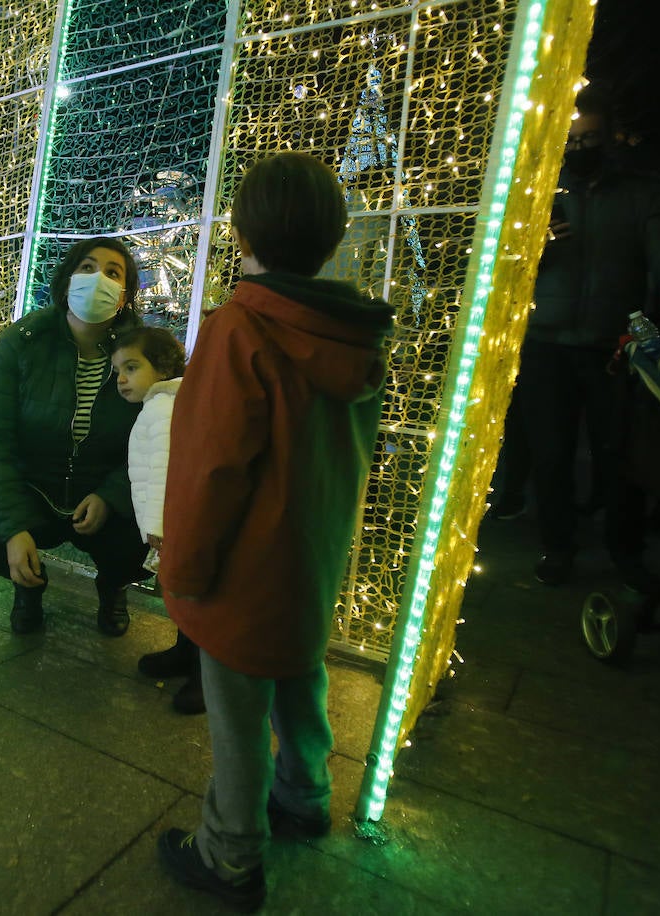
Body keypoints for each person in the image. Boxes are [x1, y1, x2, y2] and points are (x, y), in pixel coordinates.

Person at [153, 152, 394, 912]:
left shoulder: (242, 328)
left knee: (236, 716)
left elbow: (210, 465)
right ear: (332, 237)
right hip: (310, 558)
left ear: (241, 229)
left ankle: (229, 855)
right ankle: (307, 795)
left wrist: (183, 567)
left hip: (244, 569)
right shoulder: (352, 333)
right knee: (300, 677)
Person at [520, 86, 660, 587]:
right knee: (550, 450)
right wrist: (533, 244)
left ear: (609, 138)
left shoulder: (639, 192)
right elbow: (505, 261)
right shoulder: (536, 188)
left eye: (590, 138)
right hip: (547, 342)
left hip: (614, 344)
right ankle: (557, 546)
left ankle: (626, 550)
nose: (581, 148)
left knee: (620, 452)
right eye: (573, 139)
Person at [0, 237, 149, 636]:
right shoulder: (22, 342)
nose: (98, 278)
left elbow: (152, 439)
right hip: (36, 490)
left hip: (100, 494)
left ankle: (112, 586)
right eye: (87, 267)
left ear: (124, 296)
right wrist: (14, 529)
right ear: (66, 281)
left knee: (137, 537)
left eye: (112, 273)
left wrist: (111, 494)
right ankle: (28, 582)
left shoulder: (144, 354)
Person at [109, 327, 202, 714]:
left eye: (132, 367)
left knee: (192, 600)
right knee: (182, 597)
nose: (122, 379)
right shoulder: (160, 405)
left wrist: (158, 528)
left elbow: (165, 471)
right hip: (171, 525)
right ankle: (185, 653)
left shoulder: (163, 409)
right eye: (117, 371)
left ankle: (204, 676)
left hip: (175, 527)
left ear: (162, 368)